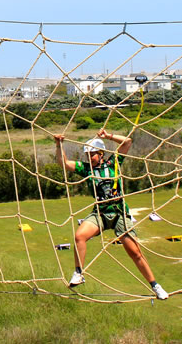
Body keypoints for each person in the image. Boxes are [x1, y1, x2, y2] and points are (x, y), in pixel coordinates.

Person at [54, 128, 169, 301]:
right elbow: (63, 163)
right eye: (87, 155)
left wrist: (109, 136)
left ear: (101, 154)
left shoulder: (113, 163)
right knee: (79, 236)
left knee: (134, 252)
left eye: (92, 154)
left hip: (119, 213)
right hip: (100, 213)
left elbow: (127, 142)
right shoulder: (86, 169)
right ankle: (78, 273)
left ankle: (155, 285)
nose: (89, 158)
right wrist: (58, 144)